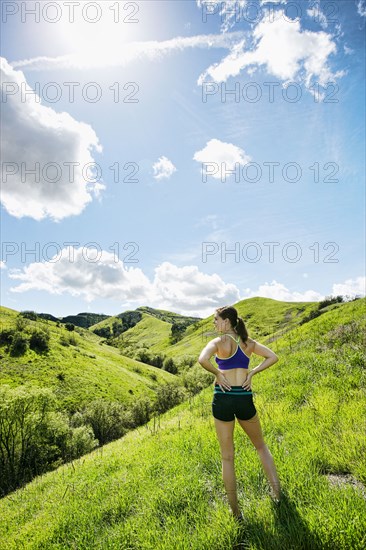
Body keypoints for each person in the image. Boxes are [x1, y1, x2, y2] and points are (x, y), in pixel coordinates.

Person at [198, 305, 281, 520]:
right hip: (243, 398)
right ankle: (278, 495)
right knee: (261, 446)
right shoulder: (248, 343)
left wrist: (217, 372)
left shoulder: (217, 343)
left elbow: (202, 360)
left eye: (216, 319)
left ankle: (236, 514)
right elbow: (273, 357)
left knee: (227, 457)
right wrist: (252, 372)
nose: (214, 323)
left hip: (223, 398)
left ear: (226, 321)